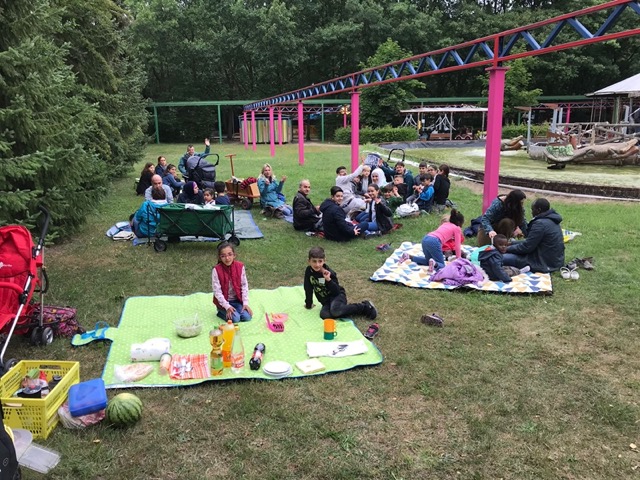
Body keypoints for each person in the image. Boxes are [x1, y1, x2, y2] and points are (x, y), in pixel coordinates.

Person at [304, 246, 377, 320]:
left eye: (320, 261)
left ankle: (364, 307)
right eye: (314, 261)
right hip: (326, 302)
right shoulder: (308, 271)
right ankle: (340, 309)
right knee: (324, 315)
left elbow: (336, 291)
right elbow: (308, 288)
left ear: (324, 261)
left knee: (335, 311)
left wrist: (328, 280)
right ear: (309, 261)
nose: (317, 265)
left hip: (337, 296)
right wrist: (308, 304)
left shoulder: (329, 273)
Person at [503, 198, 565, 273]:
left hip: (542, 263)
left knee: (500, 257)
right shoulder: (552, 219)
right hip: (554, 261)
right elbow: (531, 242)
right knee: (512, 242)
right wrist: (511, 244)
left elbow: (527, 247)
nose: (532, 212)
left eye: (533, 209)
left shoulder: (540, 224)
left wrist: (506, 249)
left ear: (538, 210)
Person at [403, 209, 465, 273]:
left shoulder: (446, 224)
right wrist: (459, 259)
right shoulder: (457, 229)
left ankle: (409, 257)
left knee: (428, 261)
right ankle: (435, 264)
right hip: (435, 241)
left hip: (426, 238)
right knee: (442, 265)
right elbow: (457, 245)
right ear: (459, 222)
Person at [211, 241, 253, 323]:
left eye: (230, 254)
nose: (227, 258)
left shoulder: (240, 267)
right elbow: (217, 291)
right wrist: (226, 306)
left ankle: (236, 310)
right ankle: (220, 312)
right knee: (235, 319)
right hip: (223, 302)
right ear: (219, 258)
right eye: (223, 256)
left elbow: (244, 285)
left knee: (247, 317)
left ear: (234, 255)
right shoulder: (216, 270)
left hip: (237, 301)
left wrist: (245, 303)